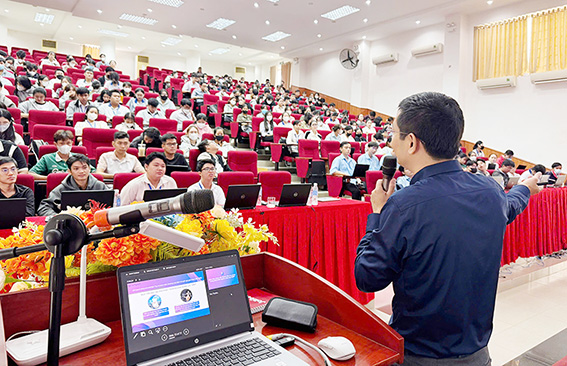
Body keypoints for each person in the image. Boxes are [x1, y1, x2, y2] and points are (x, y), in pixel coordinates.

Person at [354, 92, 541, 365]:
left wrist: (377, 215)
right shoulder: (489, 191)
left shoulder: (404, 205)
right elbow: (510, 205)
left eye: (393, 133)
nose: (390, 142)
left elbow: (367, 277)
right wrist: (525, 188)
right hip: (477, 354)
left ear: (411, 142)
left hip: (419, 356)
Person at [37, 154, 109, 216]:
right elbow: (44, 207)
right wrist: (56, 216)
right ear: (69, 171)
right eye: (76, 169)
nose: (81, 171)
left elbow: (111, 204)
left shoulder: (100, 186)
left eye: (84, 167)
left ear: (89, 169)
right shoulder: (62, 188)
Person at [30, 129, 94, 179]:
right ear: (55, 144)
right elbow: (31, 173)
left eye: (68, 143)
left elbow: (94, 172)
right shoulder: (47, 158)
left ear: (72, 143)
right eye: (62, 143)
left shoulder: (79, 157)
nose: (65, 146)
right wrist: (50, 179)